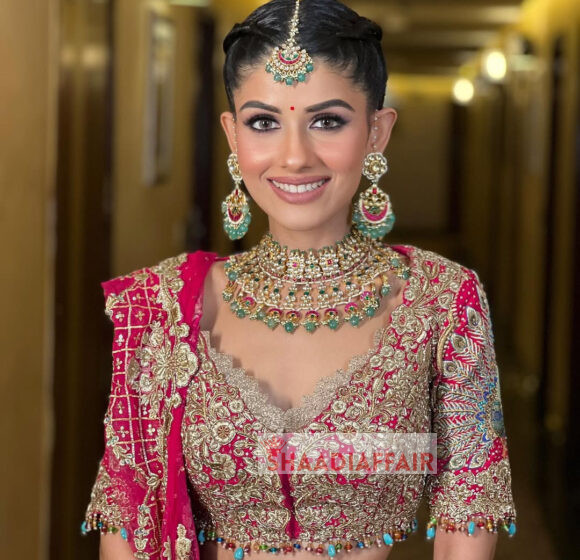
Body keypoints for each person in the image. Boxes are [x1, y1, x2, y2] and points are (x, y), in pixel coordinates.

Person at [82, 1, 517, 559]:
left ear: (377, 131)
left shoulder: (442, 299)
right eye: (263, 122)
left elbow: (470, 506)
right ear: (232, 134)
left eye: (327, 121)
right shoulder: (162, 306)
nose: (294, 157)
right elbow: (128, 518)